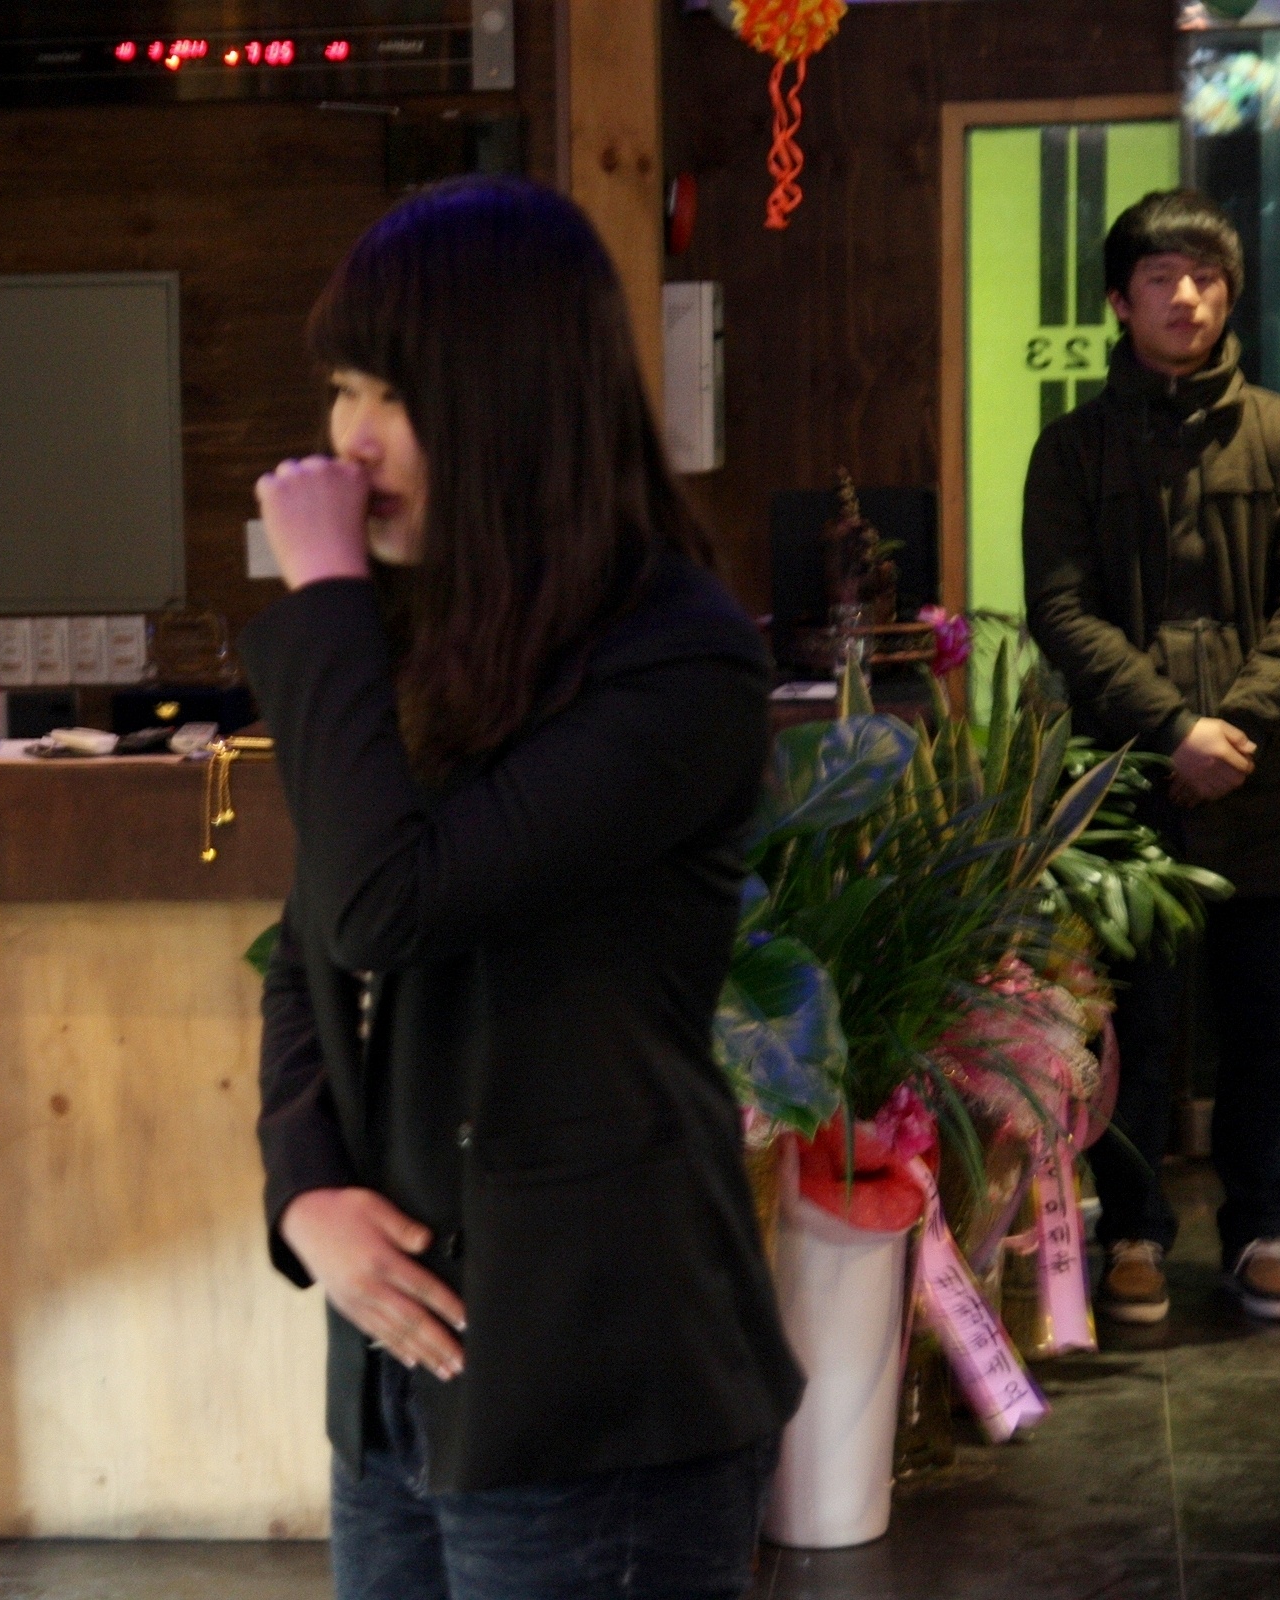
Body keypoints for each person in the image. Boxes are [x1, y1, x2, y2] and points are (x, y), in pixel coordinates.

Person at [244, 178, 799, 1600]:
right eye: (344, 389)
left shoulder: (673, 657)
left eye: (397, 394)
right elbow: (311, 948)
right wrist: (307, 1192)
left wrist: (326, 607)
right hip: (400, 1370)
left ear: (515, 405)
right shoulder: (422, 636)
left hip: (597, 1383)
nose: (353, 438)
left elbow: (390, 899)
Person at [1023, 190, 1280, 1327]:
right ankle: (1133, 1233)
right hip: (1130, 779)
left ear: (1231, 294)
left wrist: (1236, 724)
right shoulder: (1074, 448)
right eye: (1161, 278)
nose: (1188, 298)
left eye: (1206, 278)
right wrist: (1174, 730)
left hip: (1264, 778)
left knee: (1264, 1022)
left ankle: (1264, 1229)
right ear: (1120, 301)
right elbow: (1063, 612)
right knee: (1131, 1026)